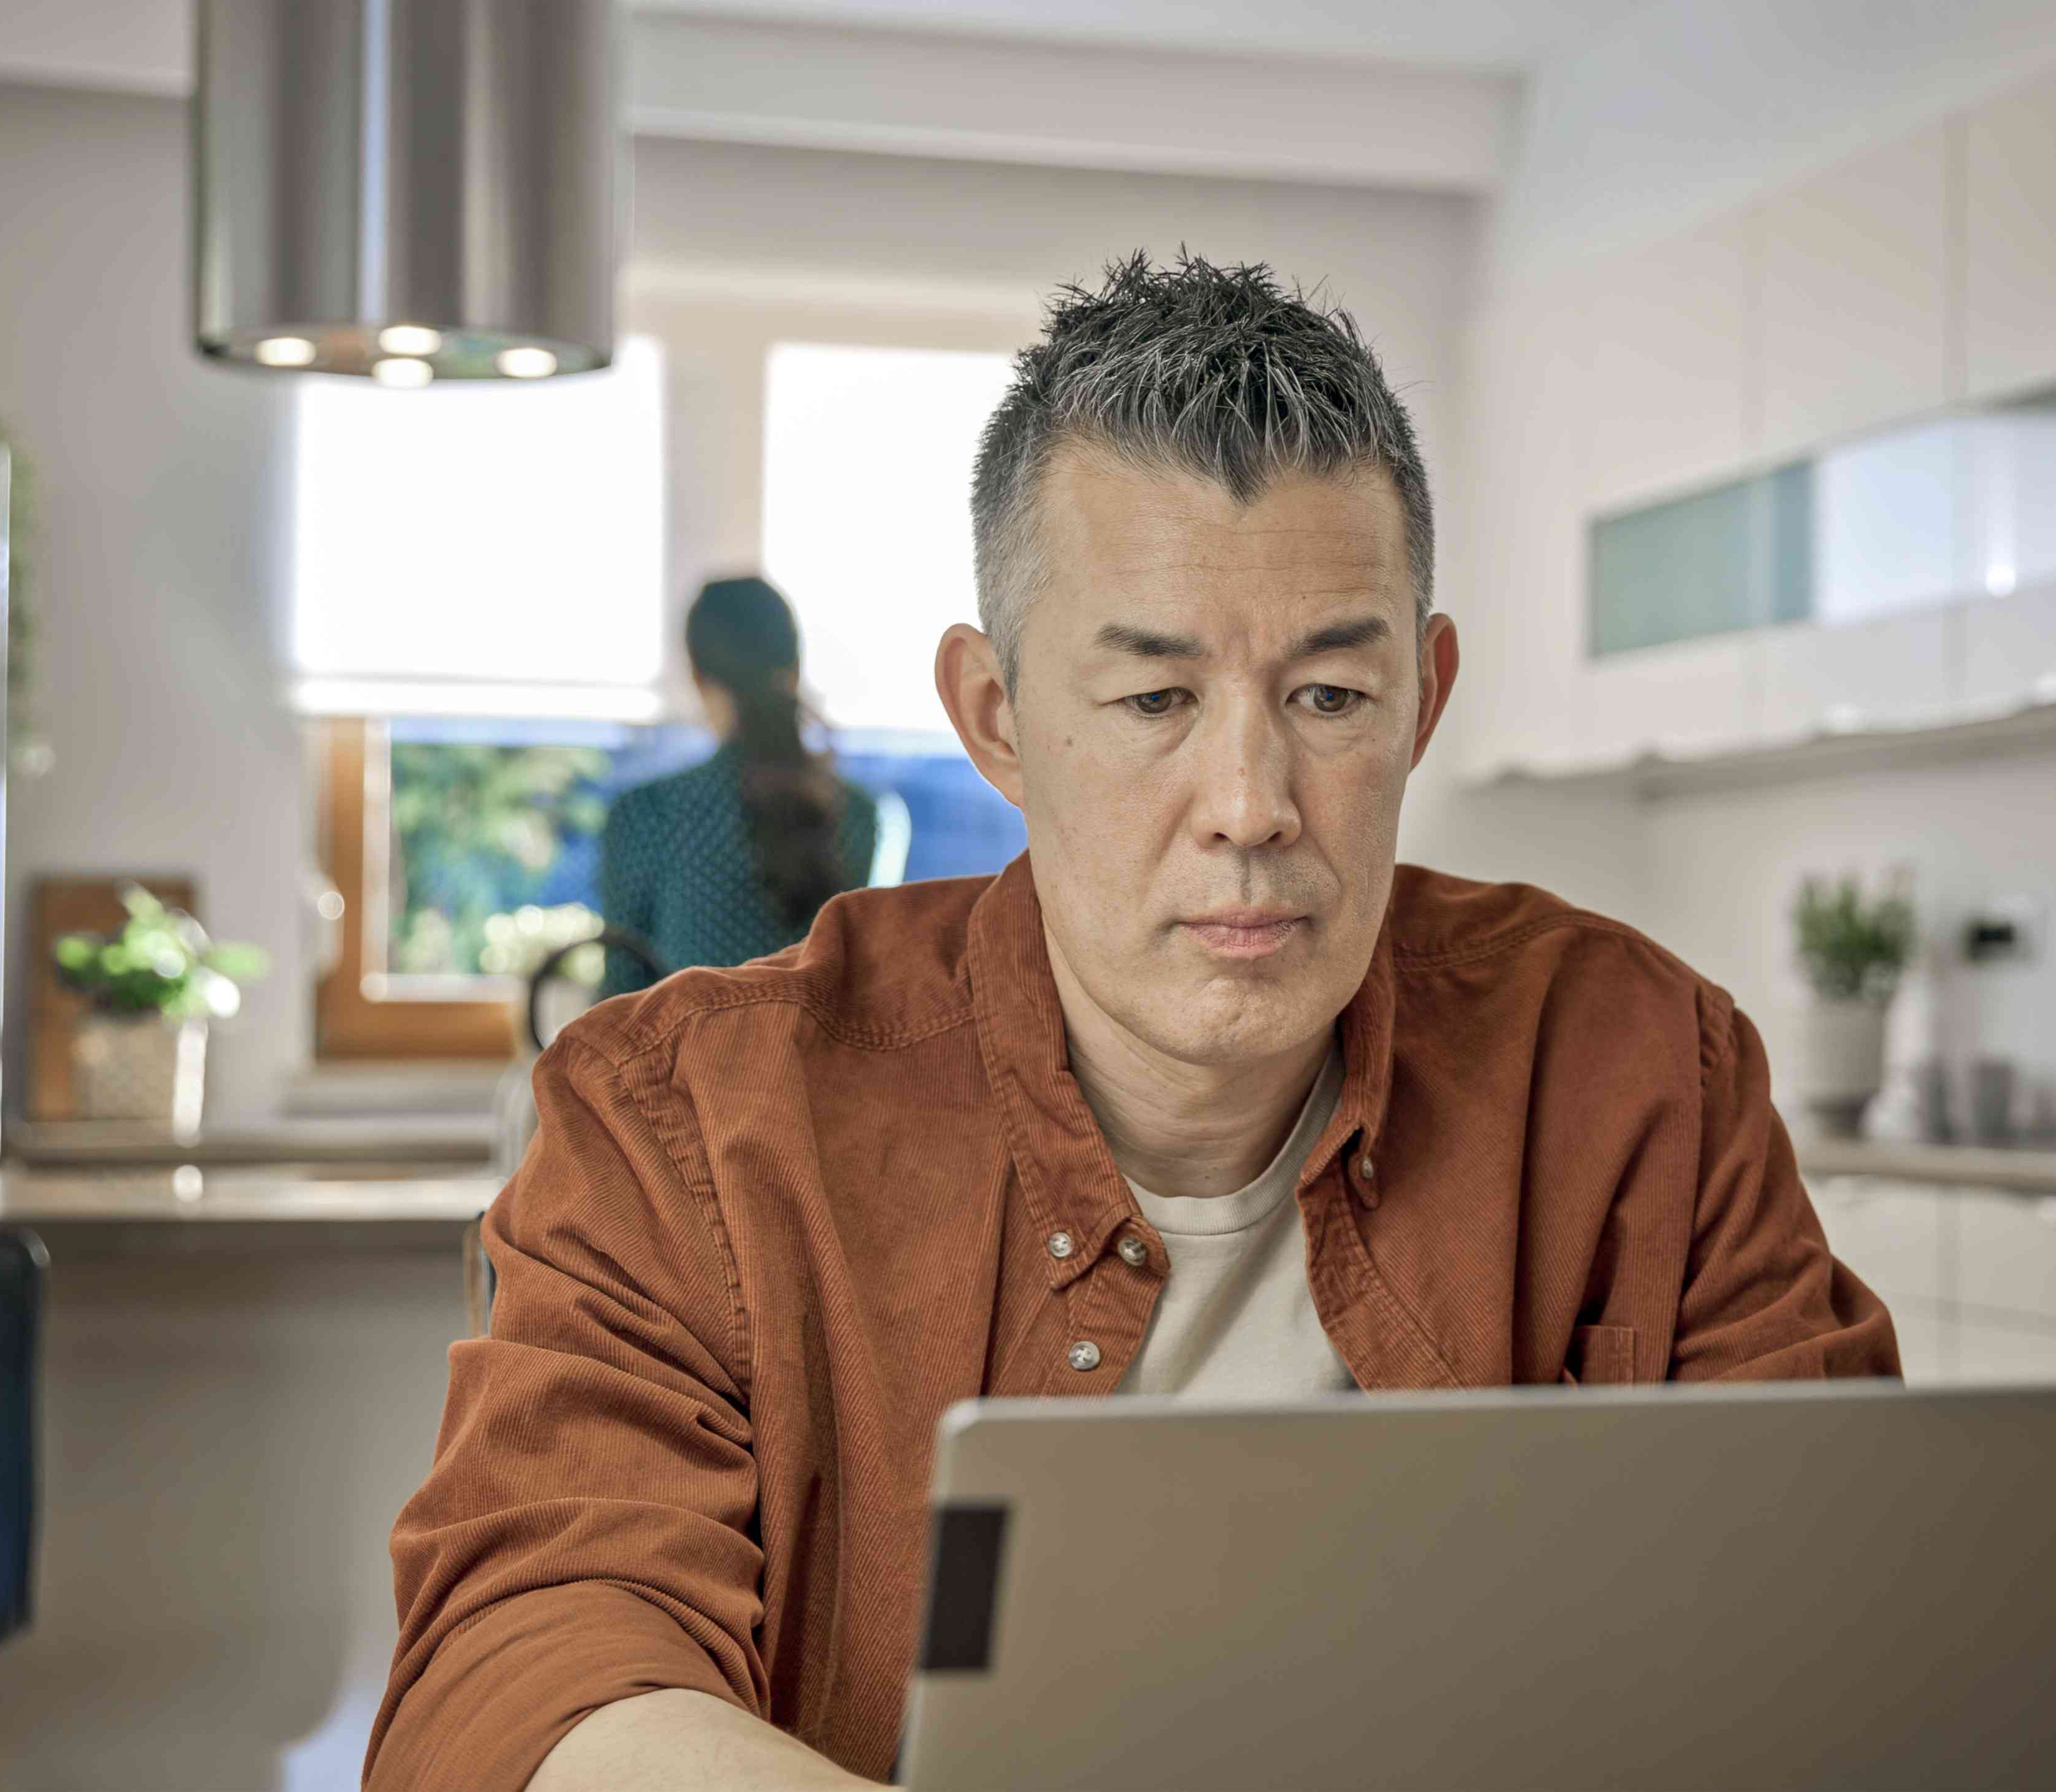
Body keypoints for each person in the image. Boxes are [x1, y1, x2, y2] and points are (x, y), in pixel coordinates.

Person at [366, 253, 1901, 1792]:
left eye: (1328, 698)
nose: (1247, 809)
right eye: (1154, 701)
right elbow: (535, 1653)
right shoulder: (675, 1117)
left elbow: (1850, 1622)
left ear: (1423, 700)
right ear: (996, 719)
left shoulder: (1639, 1066)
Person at [595, 576, 883, 997]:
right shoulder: (859, 814)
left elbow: (621, 997)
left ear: (696, 673)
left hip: (691, 1063)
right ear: (796, 668)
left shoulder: (647, 814)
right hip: (821, 1064)